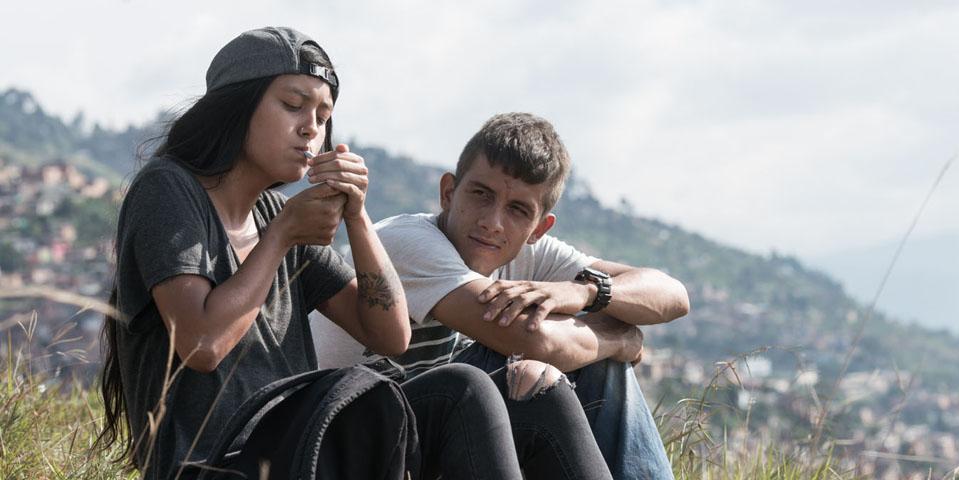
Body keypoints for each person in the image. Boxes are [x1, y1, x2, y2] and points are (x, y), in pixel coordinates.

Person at [95, 27, 608, 480]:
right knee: (465, 388)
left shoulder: (275, 213)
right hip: (218, 465)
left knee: (535, 390)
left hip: (304, 447)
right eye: (292, 105)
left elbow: (389, 334)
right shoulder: (169, 189)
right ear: (237, 105)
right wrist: (281, 237)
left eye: (323, 116)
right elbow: (202, 345)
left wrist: (357, 216)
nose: (311, 128)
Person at [313, 112, 691, 479]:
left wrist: (587, 291)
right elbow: (532, 340)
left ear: (538, 229)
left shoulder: (531, 256)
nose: (492, 222)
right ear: (448, 193)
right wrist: (618, 338)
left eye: (517, 210)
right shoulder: (406, 242)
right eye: (481, 194)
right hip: (351, 445)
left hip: (431, 433)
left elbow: (673, 295)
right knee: (555, 363)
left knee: (591, 365)